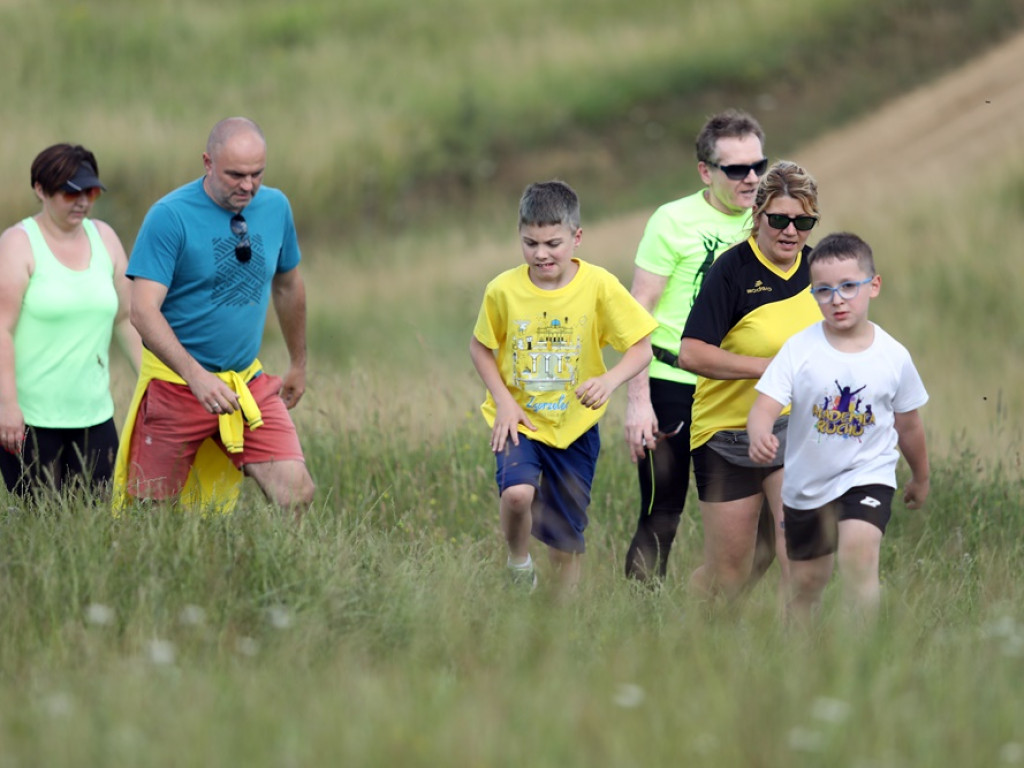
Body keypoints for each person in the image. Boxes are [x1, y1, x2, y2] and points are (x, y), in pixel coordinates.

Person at [112, 117, 314, 518]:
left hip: (245, 382)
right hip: (175, 384)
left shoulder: (275, 207)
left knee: (297, 494)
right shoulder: (169, 216)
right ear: (207, 162)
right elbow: (142, 309)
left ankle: (278, 573)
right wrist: (195, 376)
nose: (248, 185)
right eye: (235, 174)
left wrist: (298, 363)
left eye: (257, 173)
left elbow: (288, 286)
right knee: (152, 514)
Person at [470, 180, 657, 593]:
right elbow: (480, 349)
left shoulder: (599, 285)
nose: (541, 254)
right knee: (517, 495)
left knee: (565, 538)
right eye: (530, 243)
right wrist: (503, 402)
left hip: (574, 428)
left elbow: (641, 350)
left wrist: (609, 381)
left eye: (552, 243)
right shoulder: (502, 290)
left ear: (577, 237)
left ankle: (562, 625)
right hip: (520, 421)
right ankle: (518, 565)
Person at [623, 108, 777, 583]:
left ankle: (707, 609)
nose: (751, 178)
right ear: (706, 172)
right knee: (662, 515)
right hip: (674, 384)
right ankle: (641, 630)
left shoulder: (774, 222)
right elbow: (637, 312)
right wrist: (638, 402)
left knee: (773, 527)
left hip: (745, 389)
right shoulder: (672, 221)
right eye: (736, 169)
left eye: (759, 166)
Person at [747, 232, 929, 623]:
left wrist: (920, 477)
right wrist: (759, 432)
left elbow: (909, 425)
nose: (837, 299)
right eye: (824, 290)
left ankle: (864, 657)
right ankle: (796, 660)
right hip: (806, 486)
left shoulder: (894, 356)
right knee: (807, 583)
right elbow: (765, 405)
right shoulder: (799, 349)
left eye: (849, 286)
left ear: (873, 286)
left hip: (867, 474)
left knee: (859, 554)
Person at [679, 160, 822, 605]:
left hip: (790, 427)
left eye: (803, 221)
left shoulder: (819, 270)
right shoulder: (732, 270)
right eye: (779, 219)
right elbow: (691, 353)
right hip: (725, 434)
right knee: (734, 571)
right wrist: (769, 368)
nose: (790, 231)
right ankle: (688, 635)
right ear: (757, 216)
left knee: (798, 556)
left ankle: (798, 664)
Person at [0, 144, 140, 496]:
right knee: (41, 527)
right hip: (29, 419)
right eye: (70, 192)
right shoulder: (18, 244)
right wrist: (7, 406)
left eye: (90, 191)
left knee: (94, 526)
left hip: (94, 417)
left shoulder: (105, 237)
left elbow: (128, 317)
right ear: (41, 190)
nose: (82, 201)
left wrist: (150, 384)